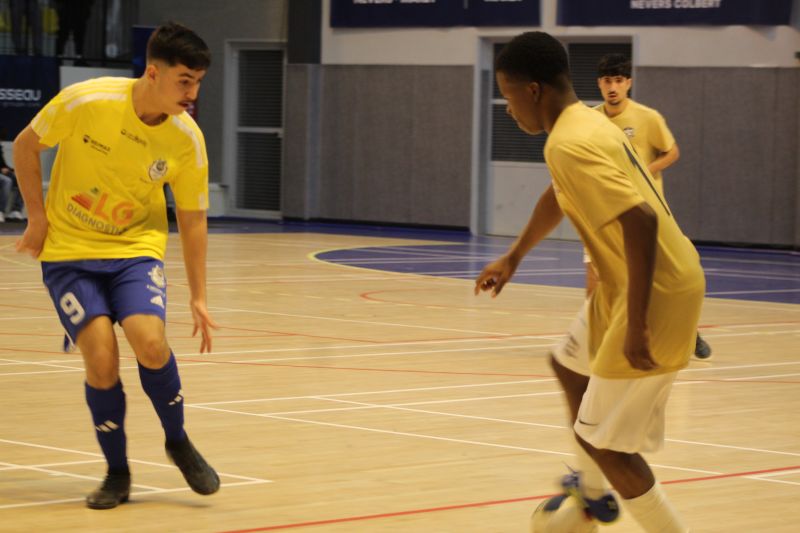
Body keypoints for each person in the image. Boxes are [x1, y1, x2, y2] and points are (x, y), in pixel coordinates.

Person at [475, 32, 703, 532]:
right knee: (567, 366)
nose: (508, 109)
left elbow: (640, 220)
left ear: (533, 90)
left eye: (508, 95)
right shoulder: (585, 123)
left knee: (607, 445)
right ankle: (594, 496)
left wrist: (637, 324)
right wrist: (514, 256)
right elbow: (558, 194)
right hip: (628, 283)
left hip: (654, 290)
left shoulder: (570, 141)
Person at [13, 22, 220, 509]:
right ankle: (117, 472)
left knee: (150, 343)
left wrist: (198, 295)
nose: (192, 93)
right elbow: (25, 146)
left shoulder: (186, 139)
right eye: (185, 81)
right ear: (153, 72)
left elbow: (192, 219)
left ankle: (178, 440)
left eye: (198, 82)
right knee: (102, 358)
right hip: (69, 253)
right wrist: (37, 218)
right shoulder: (88, 101)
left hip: (134, 250)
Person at [593, 53, 711, 360]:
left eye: (618, 80)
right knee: (600, 279)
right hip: (608, 212)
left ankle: (690, 331)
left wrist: (645, 171)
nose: (613, 87)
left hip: (648, 211)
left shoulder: (647, 117)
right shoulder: (592, 120)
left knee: (672, 273)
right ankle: (603, 337)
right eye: (607, 81)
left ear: (628, 83)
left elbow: (672, 151)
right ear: (599, 84)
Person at [0, 143, 25, 222]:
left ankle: (16, 210)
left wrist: (11, 170)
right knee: (7, 181)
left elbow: (3, 164)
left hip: (2, 172)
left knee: (22, 179)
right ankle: (1, 210)